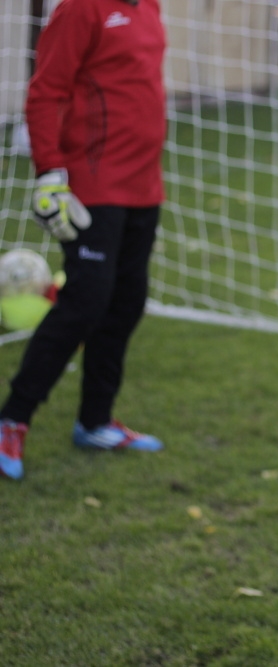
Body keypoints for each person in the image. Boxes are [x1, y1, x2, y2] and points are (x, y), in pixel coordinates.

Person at [0, 0, 167, 481]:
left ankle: (95, 421)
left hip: (143, 186)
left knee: (126, 301)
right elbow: (46, 90)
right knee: (85, 302)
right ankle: (13, 417)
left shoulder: (151, 7)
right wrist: (50, 172)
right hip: (92, 186)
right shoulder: (79, 9)